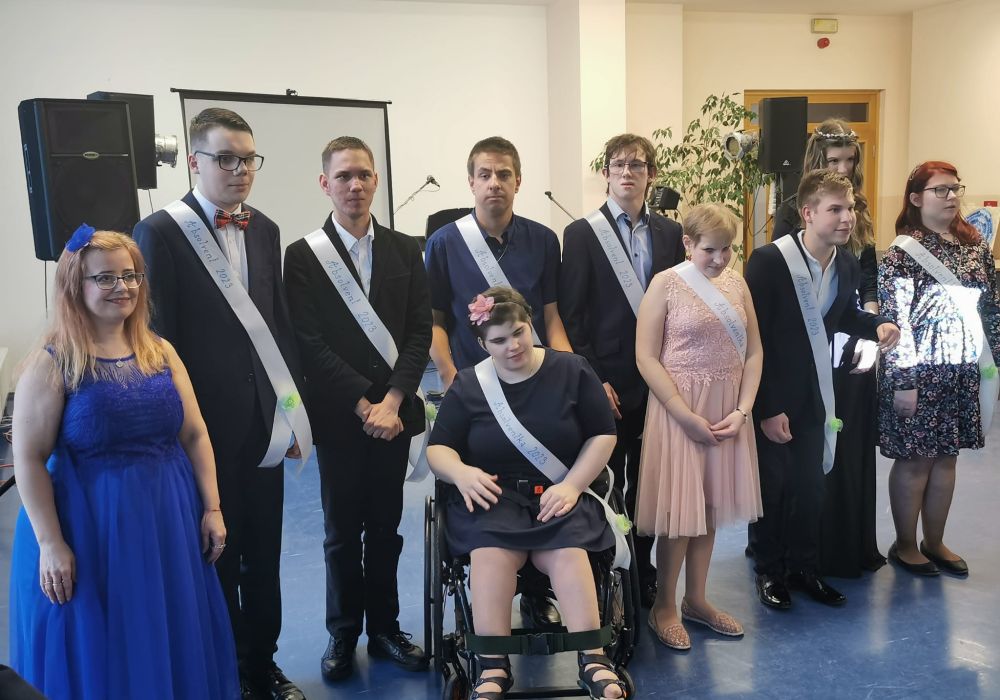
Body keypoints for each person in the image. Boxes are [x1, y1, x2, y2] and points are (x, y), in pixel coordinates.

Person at [9, 229, 239, 699]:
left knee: (164, 631)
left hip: (166, 520)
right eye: (106, 278)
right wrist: (51, 544)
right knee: (104, 646)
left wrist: (212, 507)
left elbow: (194, 433)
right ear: (75, 285)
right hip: (90, 529)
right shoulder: (53, 362)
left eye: (131, 275)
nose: (123, 287)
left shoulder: (160, 351)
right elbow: (28, 459)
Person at [133, 108, 308, 700]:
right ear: (194, 161)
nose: (241, 170)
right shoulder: (159, 232)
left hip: (263, 425)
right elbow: (157, 341)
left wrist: (293, 415)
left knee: (264, 552)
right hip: (199, 430)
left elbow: (278, 327)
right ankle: (223, 668)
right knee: (216, 553)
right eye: (226, 158)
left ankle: (263, 665)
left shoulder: (266, 229)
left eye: (249, 158)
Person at [426, 286, 626, 700]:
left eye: (518, 332)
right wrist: (461, 473)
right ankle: (492, 667)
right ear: (482, 344)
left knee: (569, 551)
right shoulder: (469, 384)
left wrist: (572, 485)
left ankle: (593, 659)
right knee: (489, 555)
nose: (513, 345)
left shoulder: (572, 369)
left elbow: (603, 434)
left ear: (529, 324)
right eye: (499, 340)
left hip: (560, 491)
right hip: (494, 497)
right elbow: (438, 449)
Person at [283, 136, 431, 680]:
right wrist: (364, 403)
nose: (355, 185)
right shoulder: (303, 256)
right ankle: (342, 633)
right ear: (325, 183)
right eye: (343, 176)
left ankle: (386, 629)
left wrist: (392, 401)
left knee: (387, 528)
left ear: (376, 181)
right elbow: (308, 341)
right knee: (342, 532)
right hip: (342, 418)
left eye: (363, 174)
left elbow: (418, 332)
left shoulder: (404, 249)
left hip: (393, 417)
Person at [425, 136, 571, 628]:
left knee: (541, 481)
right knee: (491, 489)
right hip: (476, 391)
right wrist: (452, 378)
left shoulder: (543, 240)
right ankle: (488, 590)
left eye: (504, 174)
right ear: (470, 182)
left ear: (518, 181)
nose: (494, 183)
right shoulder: (444, 243)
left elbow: (551, 319)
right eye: (484, 174)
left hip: (534, 384)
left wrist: (571, 373)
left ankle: (536, 593)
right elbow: (435, 322)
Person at [745, 170, 899, 610]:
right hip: (774, 397)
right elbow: (753, 338)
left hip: (818, 394)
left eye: (850, 208)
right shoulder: (769, 261)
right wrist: (767, 407)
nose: (847, 217)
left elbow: (841, 316)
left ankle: (804, 569)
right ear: (808, 213)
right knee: (774, 489)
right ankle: (769, 571)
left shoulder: (846, 263)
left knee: (811, 488)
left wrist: (877, 324)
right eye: (836, 209)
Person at [560, 133, 685, 607]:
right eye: (618, 164)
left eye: (637, 164)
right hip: (608, 381)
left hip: (659, 379)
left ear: (652, 174)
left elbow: (679, 307)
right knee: (608, 479)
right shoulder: (581, 233)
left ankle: (643, 567)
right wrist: (594, 378)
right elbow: (573, 315)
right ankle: (608, 564)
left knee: (650, 480)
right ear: (606, 173)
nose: (628, 172)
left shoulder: (671, 234)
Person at [634, 204, 763, 650]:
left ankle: (696, 599)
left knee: (708, 506)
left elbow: (754, 352)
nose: (720, 259)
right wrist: (683, 414)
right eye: (710, 249)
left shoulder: (737, 283)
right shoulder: (665, 284)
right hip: (680, 409)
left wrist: (743, 410)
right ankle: (663, 607)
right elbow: (645, 356)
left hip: (727, 409)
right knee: (679, 512)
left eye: (728, 249)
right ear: (688, 243)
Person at [771, 118, 886, 577]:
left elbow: (863, 283)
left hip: (845, 352)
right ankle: (783, 560)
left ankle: (831, 551)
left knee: (838, 453)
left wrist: (874, 328)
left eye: (850, 161)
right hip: (800, 358)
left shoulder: (857, 223)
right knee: (792, 465)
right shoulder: (786, 223)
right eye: (835, 161)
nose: (844, 168)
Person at [878, 161, 1000, 577]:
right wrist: (903, 381)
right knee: (916, 461)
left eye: (955, 189)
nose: (951, 197)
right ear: (916, 198)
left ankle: (935, 541)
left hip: (962, 371)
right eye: (940, 190)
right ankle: (905, 544)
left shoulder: (974, 247)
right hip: (918, 374)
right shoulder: (902, 254)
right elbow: (895, 322)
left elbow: (990, 310)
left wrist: (995, 364)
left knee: (947, 458)